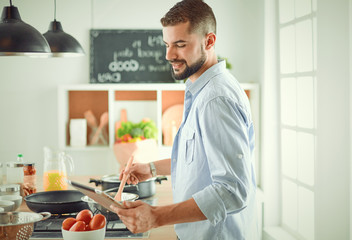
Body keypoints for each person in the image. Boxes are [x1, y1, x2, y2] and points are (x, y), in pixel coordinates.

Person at [112, 0, 258, 239]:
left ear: (209, 41)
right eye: (167, 44)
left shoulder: (215, 99)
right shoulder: (201, 89)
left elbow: (233, 190)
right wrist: (150, 169)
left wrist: (157, 216)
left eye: (180, 45)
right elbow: (198, 159)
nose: (169, 55)